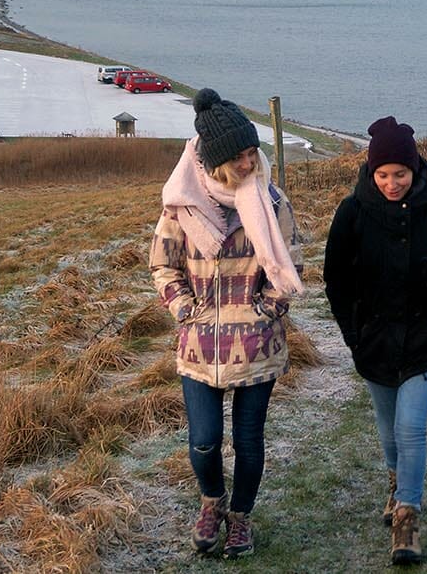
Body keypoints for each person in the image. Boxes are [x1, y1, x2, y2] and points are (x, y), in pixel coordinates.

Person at [150, 89, 305, 558]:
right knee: (202, 441)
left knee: (249, 440)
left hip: (257, 345)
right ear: (214, 160)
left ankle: (240, 518)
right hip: (198, 347)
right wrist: (183, 310)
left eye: (251, 152)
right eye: (236, 156)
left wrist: (266, 310)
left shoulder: (270, 200)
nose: (247, 163)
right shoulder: (181, 205)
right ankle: (211, 501)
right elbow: (163, 265)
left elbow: (290, 263)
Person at [325, 117, 427, 565]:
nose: (392, 183)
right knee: (389, 427)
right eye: (383, 174)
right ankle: (396, 482)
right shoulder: (352, 212)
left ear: (415, 170)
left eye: (401, 174)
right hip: (373, 341)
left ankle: (407, 517)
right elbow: (335, 279)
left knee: (411, 427)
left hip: (425, 339)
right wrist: (352, 334)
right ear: (371, 173)